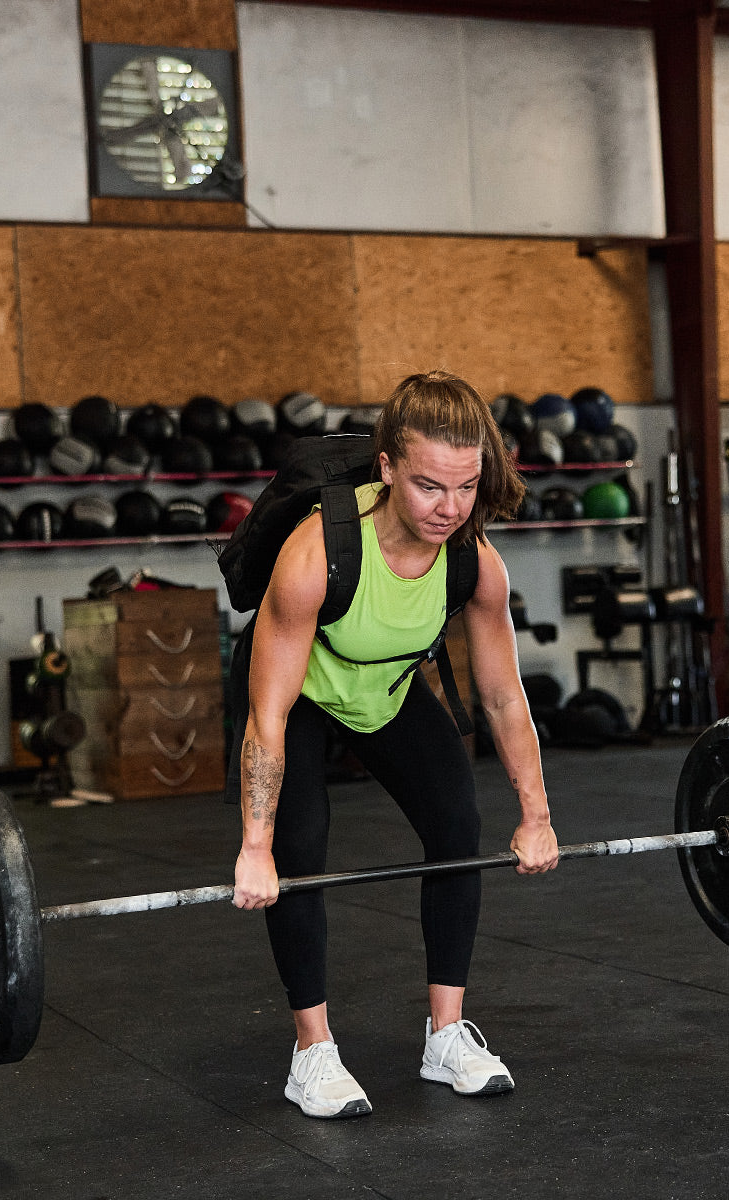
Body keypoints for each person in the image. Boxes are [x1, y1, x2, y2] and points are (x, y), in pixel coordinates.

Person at [232, 369, 559, 1119]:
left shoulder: (475, 563)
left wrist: (535, 814)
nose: (450, 509)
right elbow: (268, 720)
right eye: (428, 488)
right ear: (386, 469)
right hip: (303, 698)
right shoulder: (316, 555)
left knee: (456, 824)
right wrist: (256, 843)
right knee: (298, 849)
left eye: (466, 487)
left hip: (385, 691)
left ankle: (446, 1036)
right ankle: (311, 1051)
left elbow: (505, 695)